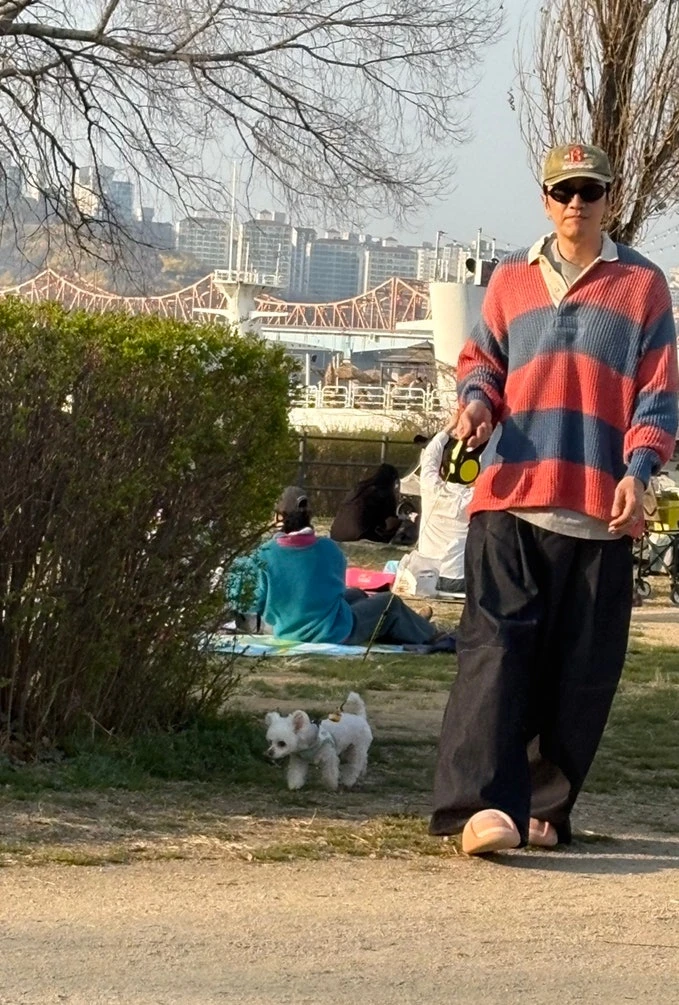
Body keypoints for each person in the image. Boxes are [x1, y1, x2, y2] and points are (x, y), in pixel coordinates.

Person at [430, 143, 679, 855]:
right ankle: (481, 807)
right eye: (563, 191)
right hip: (510, 497)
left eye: (589, 191)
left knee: (580, 673)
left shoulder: (643, 286)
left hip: (601, 510)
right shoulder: (510, 277)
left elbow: (658, 396)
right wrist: (476, 405)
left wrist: (638, 470)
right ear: (544, 201)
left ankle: (543, 808)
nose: (576, 203)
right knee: (495, 653)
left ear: (608, 199)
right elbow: (482, 362)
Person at [253, 501, 441, 646]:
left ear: (278, 517)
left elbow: (258, 601)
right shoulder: (327, 548)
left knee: (357, 594)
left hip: (286, 630)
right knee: (389, 603)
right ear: (308, 517)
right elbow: (337, 588)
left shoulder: (265, 553)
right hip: (331, 631)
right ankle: (428, 632)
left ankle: (411, 623)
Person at [417, 424, 474, 594]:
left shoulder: (429, 487)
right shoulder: (476, 497)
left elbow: (430, 457)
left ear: (442, 469)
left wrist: (449, 427)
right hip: (460, 579)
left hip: (425, 578)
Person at [330, 463, 402, 543]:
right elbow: (391, 522)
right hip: (359, 536)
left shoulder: (359, 488)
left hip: (336, 534)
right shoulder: (385, 493)